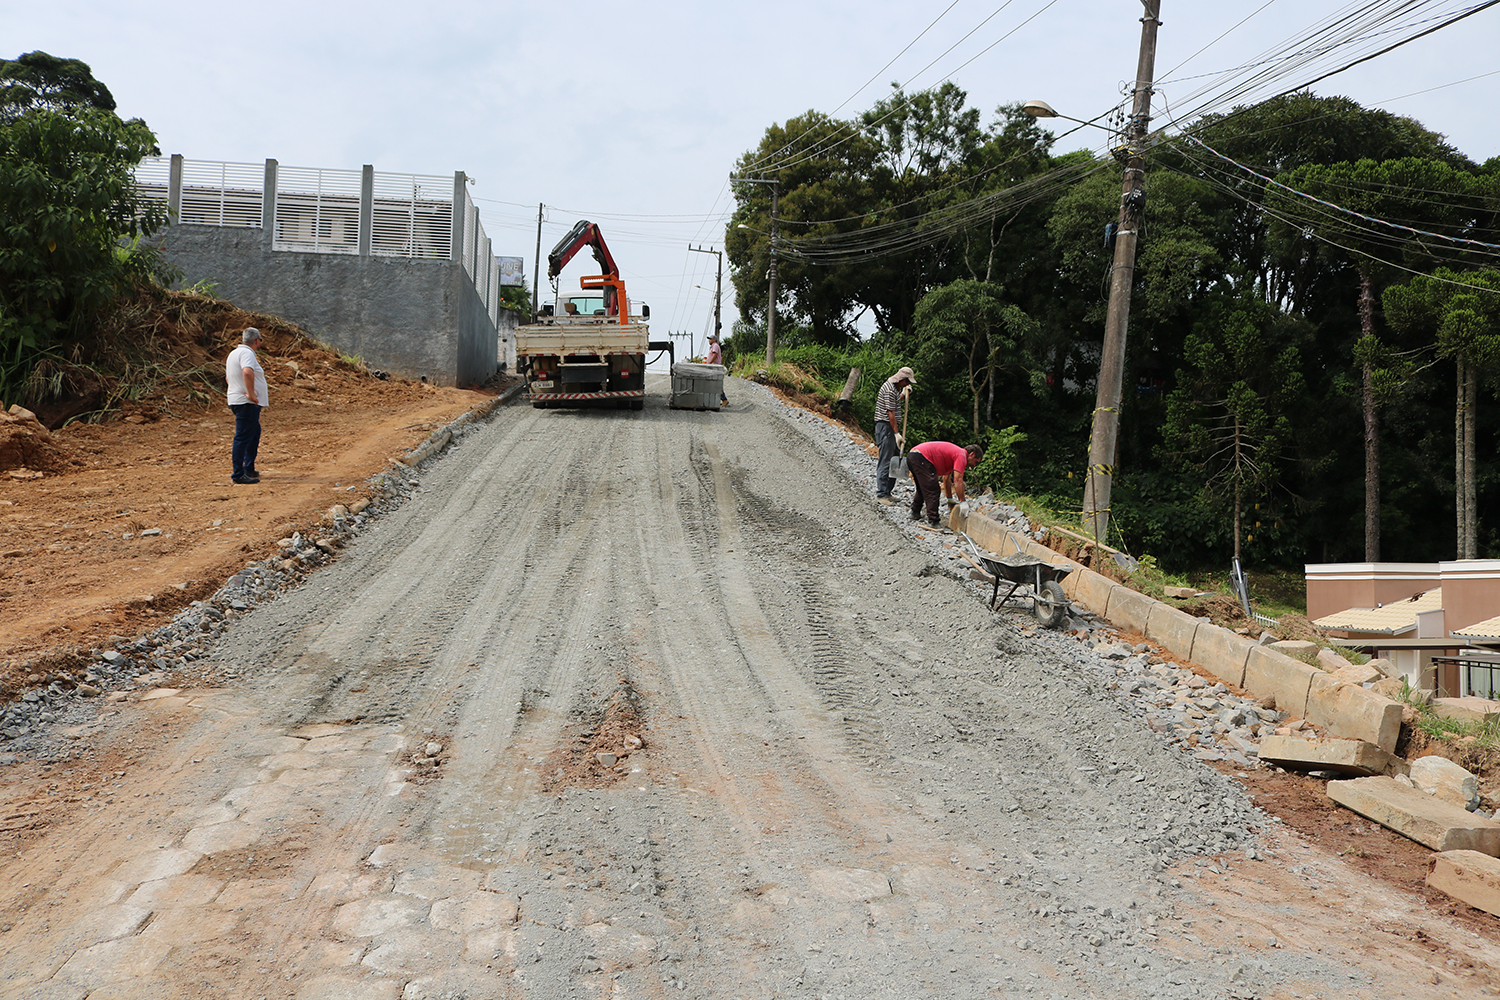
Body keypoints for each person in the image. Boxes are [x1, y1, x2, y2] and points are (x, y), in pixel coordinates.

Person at [225, 327, 268, 485]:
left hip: (237, 400)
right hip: (246, 402)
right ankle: (238, 474)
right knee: (243, 437)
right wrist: (250, 394)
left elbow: (228, 377)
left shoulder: (233, 354)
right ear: (257, 340)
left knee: (254, 432)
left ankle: (248, 467)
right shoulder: (247, 353)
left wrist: (236, 390)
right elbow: (247, 372)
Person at [907, 440, 983, 528]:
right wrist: (963, 501)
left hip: (913, 455)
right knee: (933, 490)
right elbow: (958, 480)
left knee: (923, 487)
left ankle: (915, 512)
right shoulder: (961, 455)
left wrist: (949, 499)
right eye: (975, 462)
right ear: (972, 454)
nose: (974, 465)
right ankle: (933, 521)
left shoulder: (954, 454)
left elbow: (946, 478)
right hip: (921, 457)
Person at [874, 367, 916, 504]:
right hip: (886, 427)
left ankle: (888, 492)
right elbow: (890, 413)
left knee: (895, 459)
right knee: (886, 460)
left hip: (891, 427)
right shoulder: (889, 389)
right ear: (902, 379)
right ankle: (881, 494)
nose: (908, 385)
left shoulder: (895, 389)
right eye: (907, 382)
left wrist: (903, 394)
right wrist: (896, 433)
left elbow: (895, 402)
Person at [706, 331, 728, 406]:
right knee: (715, 384)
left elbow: (715, 355)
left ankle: (724, 399)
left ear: (714, 340)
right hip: (714, 366)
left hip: (715, 367)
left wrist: (709, 363)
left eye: (710, 339)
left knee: (716, 384)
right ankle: (720, 399)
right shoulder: (713, 346)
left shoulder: (715, 345)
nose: (709, 340)